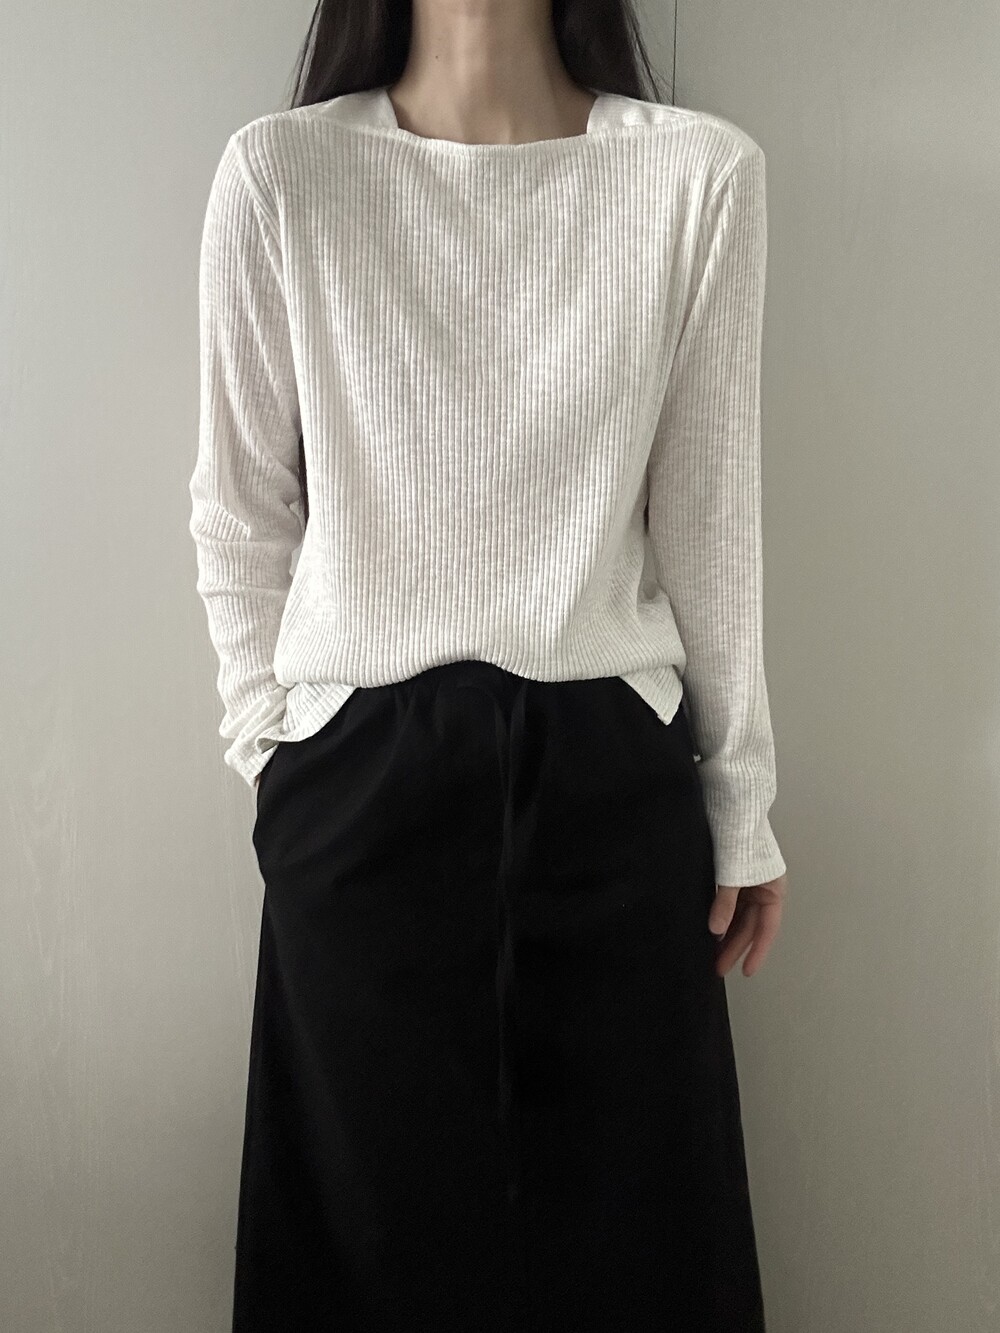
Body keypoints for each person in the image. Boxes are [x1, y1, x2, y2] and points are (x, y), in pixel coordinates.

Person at [187, 1, 789, 1328]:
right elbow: (240, 511)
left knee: (636, 1250)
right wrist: (273, 753)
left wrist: (740, 797)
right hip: (358, 784)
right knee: (363, 1250)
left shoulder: (697, 177)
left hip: (612, 782)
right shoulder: (284, 175)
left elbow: (710, 520)